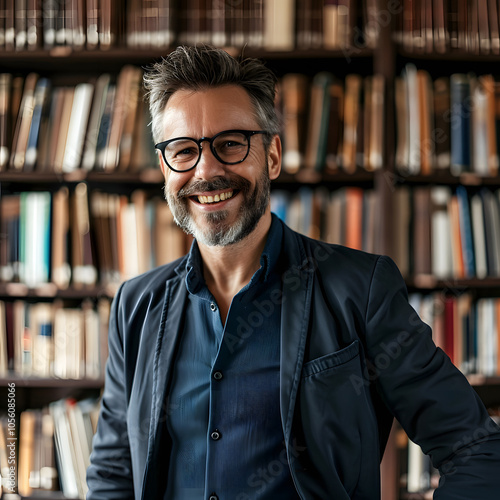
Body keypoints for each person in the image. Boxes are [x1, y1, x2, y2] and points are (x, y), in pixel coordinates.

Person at [86, 45, 500, 500]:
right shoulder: (135, 306)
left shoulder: (359, 291)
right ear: (166, 168)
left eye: (230, 144)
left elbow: (475, 448)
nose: (206, 170)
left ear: (272, 156)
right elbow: (112, 476)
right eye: (183, 150)